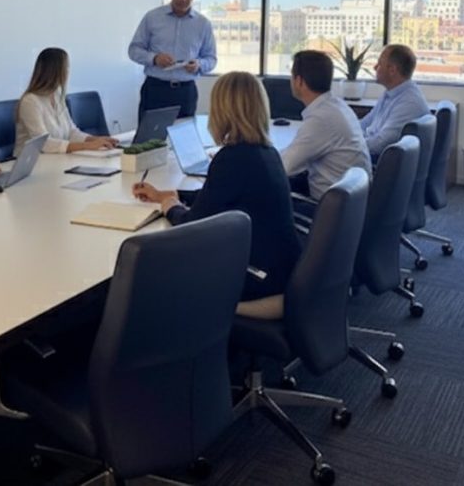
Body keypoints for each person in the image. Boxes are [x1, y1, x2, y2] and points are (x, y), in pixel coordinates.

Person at [131, 72, 297, 318]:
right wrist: (175, 196)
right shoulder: (265, 152)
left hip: (258, 277)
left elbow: (192, 225)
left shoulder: (232, 158)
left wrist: (169, 206)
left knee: (154, 269)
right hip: (283, 269)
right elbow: (221, 197)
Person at [280, 50, 371, 200]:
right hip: (350, 203)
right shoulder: (337, 106)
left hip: (328, 210)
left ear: (299, 81)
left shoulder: (321, 119)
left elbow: (285, 166)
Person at [128, 0, 217, 120]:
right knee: (149, 140)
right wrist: (154, 58)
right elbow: (134, 50)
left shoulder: (203, 24)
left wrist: (199, 64)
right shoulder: (152, 17)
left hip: (186, 92)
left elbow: (211, 59)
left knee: (184, 140)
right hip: (155, 89)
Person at [14, 48, 118, 156]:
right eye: (66, 68)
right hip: (32, 163)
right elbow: (44, 143)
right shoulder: (30, 101)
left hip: (54, 159)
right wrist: (88, 146)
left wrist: (95, 140)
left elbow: (71, 132)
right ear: (55, 71)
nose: (68, 72)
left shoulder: (57, 94)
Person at [359, 44, 430, 158]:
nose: (375, 67)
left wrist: (350, 146)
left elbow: (381, 143)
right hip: (370, 151)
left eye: (380, 64)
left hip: (378, 160)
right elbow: (366, 122)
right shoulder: (391, 93)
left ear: (392, 70)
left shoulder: (408, 102)